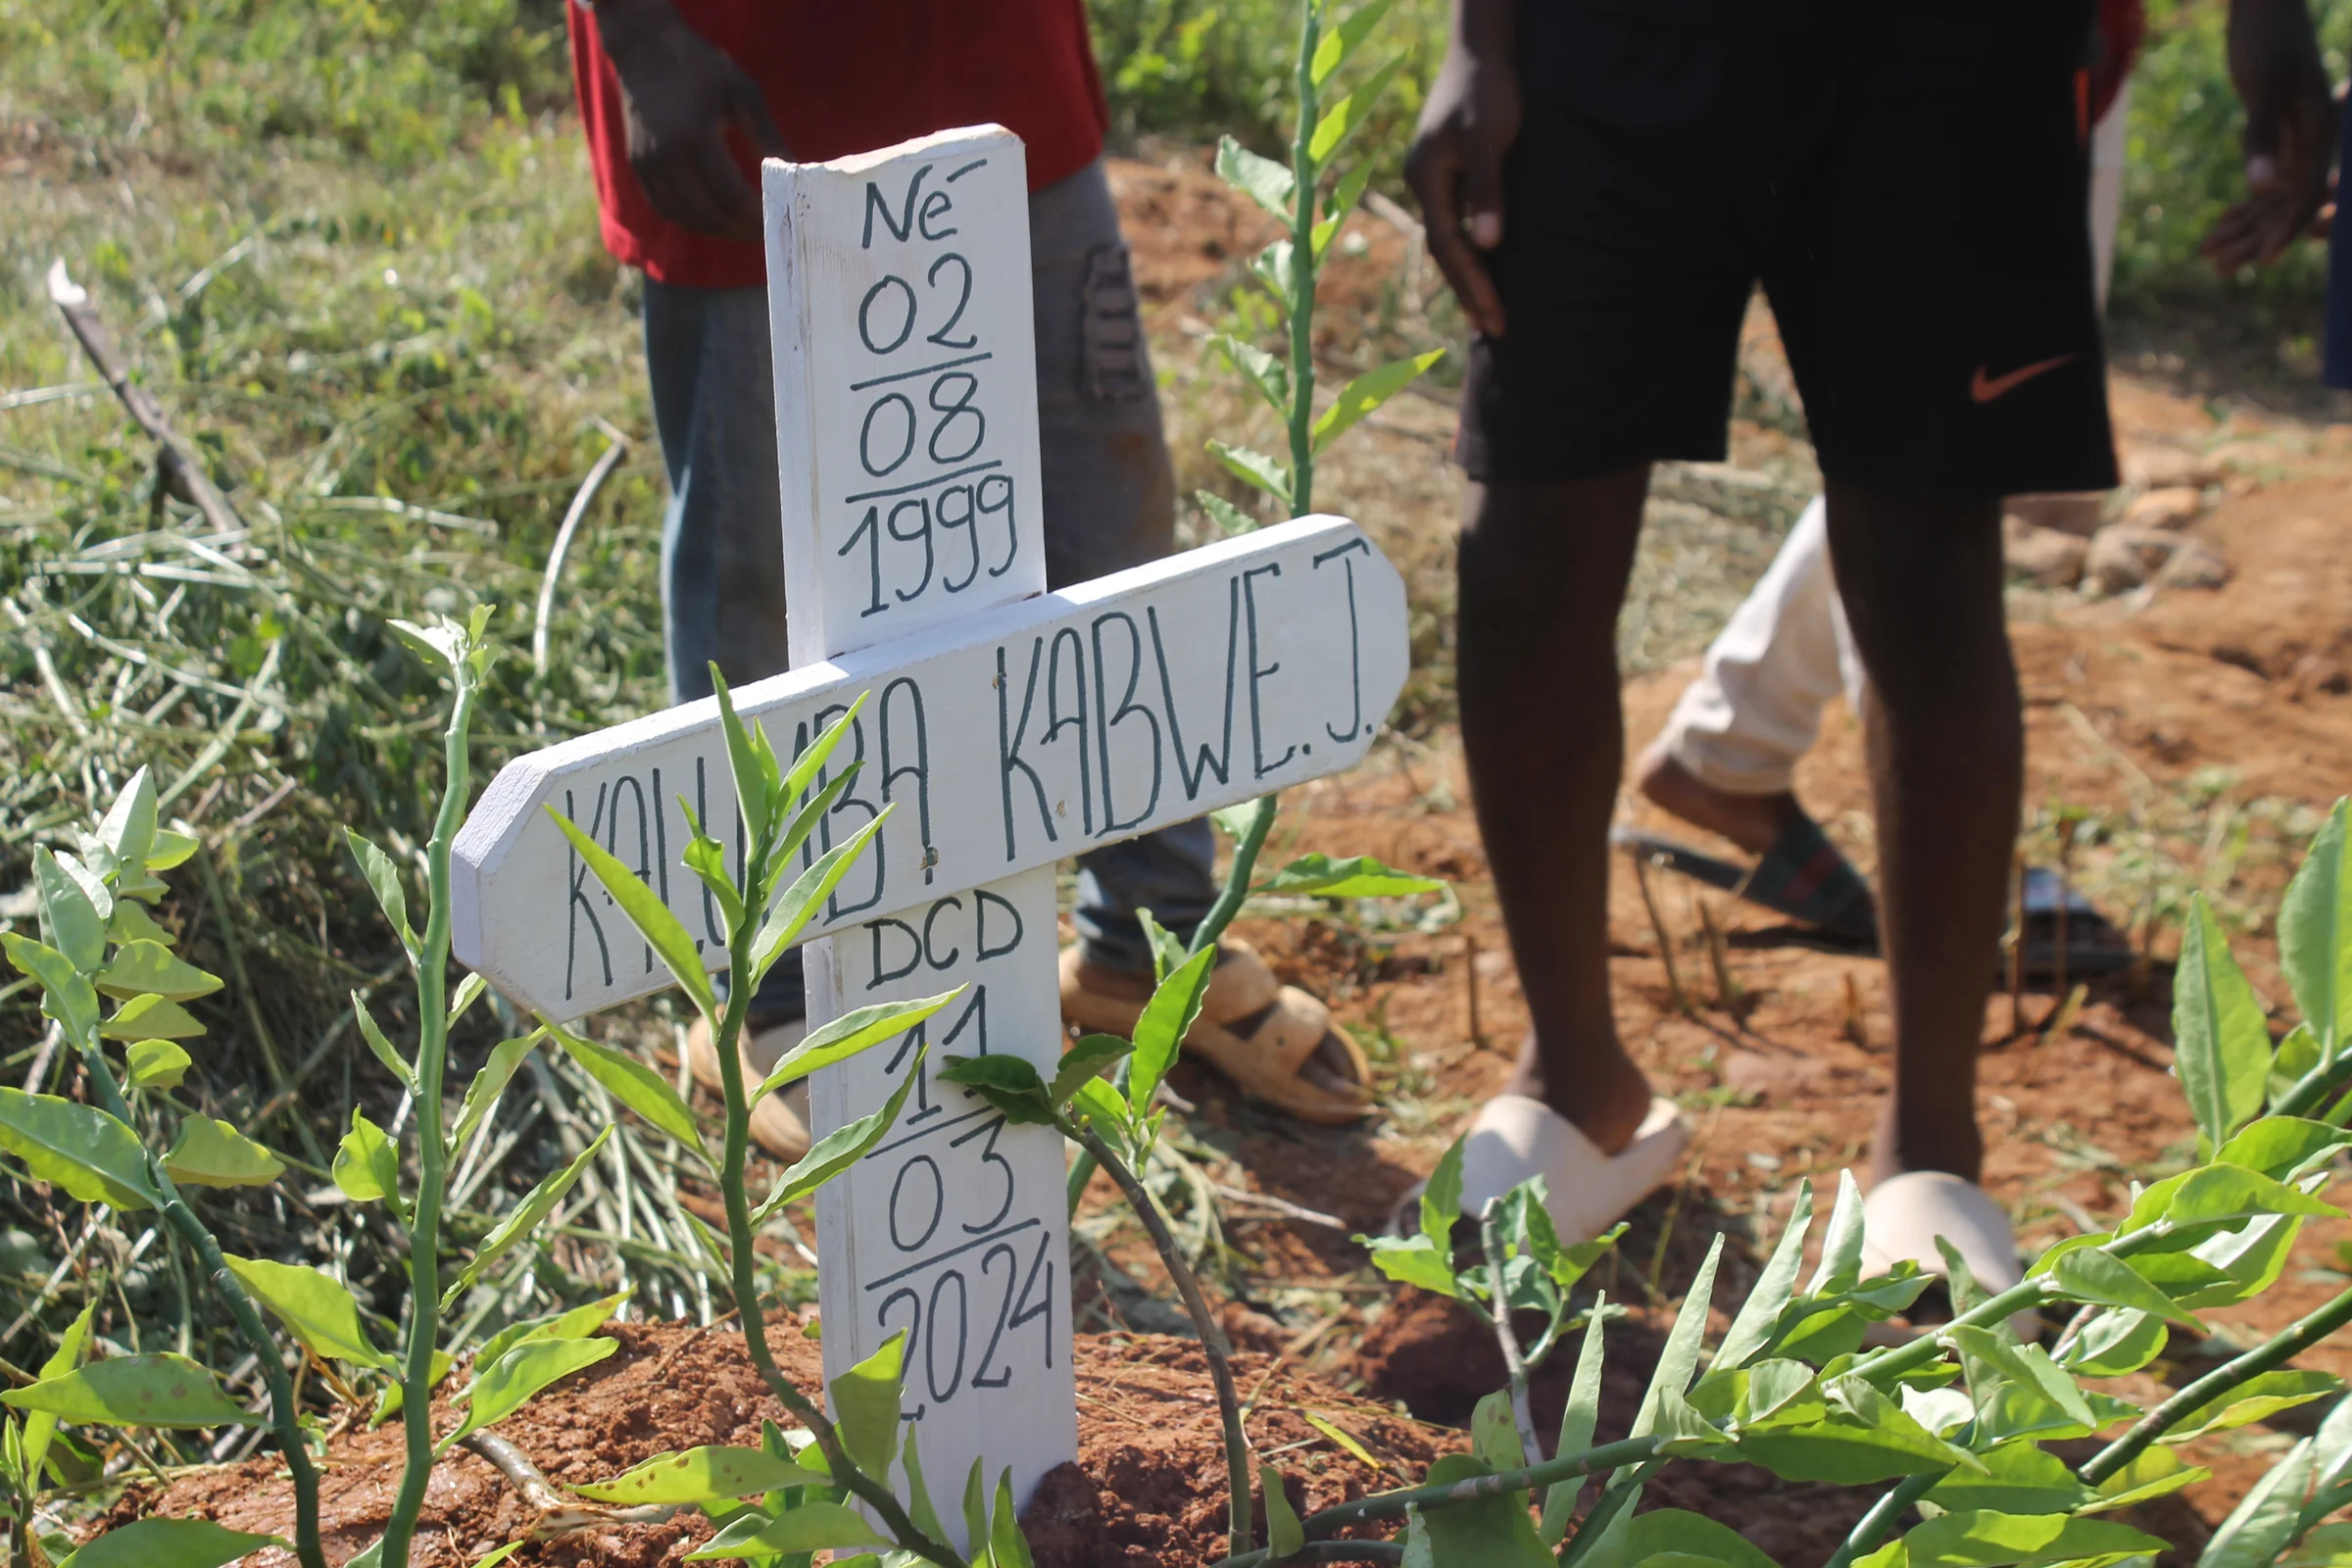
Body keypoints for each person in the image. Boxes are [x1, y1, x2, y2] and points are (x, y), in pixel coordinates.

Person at [1407, 0, 2337, 1286]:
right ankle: (1576, 1082)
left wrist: (2271, 20)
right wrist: (1481, 37)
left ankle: (1931, 1156)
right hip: (1616, 33)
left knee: (1928, 564)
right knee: (1526, 529)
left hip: (1952, 42)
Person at [565, 0, 1374, 1158]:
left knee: (1107, 521)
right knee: (766, 576)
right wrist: (644, 42)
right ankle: (776, 988)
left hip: (1004, 73)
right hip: (742, 90)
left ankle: (1148, 935)